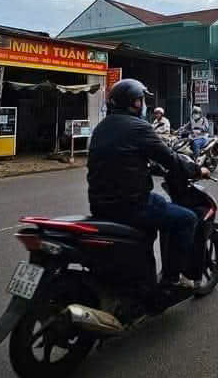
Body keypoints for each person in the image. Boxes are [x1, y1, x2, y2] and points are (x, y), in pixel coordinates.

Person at [86, 79, 209, 290]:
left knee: (161, 206)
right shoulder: (139, 127)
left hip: (100, 206)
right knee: (187, 219)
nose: (145, 106)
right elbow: (170, 159)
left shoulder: (100, 129)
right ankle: (173, 278)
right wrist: (198, 170)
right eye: (142, 100)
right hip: (133, 205)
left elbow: (121, 160)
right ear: (134, 103)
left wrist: (150, 168)